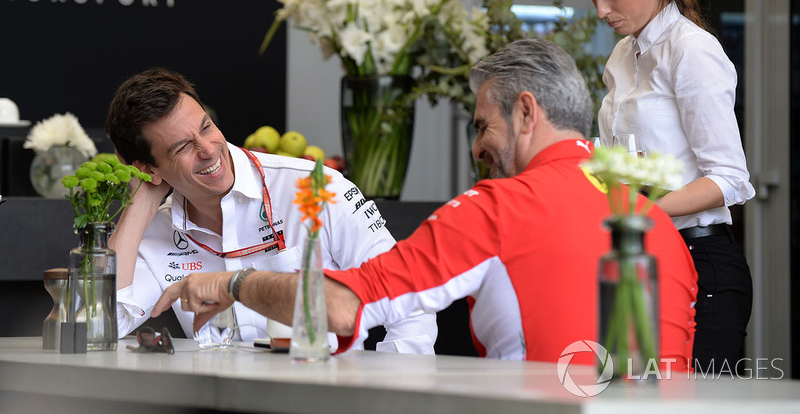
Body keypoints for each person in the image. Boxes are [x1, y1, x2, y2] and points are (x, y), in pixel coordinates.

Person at [153, 39, 698, 368]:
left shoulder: (499, 207)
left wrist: (231, 284)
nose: (477, 147)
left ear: (527, 113)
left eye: (483, 125)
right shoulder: (655, 220)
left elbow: (342, 305)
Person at [105, 67, 436, 354]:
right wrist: (138, 203)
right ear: (149, 169)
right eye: (182, 147)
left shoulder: (317, 187)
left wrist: (392, 393)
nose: (208, 150)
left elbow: (408, 297)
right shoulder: (157, 229)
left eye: (206, 127)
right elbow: (102, 327)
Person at [570, 0, 756, 373]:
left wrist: (641, 210)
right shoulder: (621, 54)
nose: (600, 11)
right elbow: (634, 168)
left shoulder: (691, 50)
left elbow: (730, 179)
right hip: (638, 259)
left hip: (700, 261)